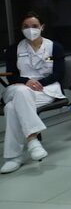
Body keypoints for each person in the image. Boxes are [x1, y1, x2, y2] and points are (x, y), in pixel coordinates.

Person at [1, 12, 64, 174]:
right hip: (17, 87)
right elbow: (11, 76)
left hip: (46, 89)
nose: (30, 29)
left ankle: (13, 157)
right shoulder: (14, 49)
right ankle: (32, 140)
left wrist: (40, 83)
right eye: (26, 27)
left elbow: (58, 73)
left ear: (42, 27)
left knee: (11, 109)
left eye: (35, 26)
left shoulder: (54, 47)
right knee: (22, 92)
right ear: (21, 29)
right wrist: (26, 82)